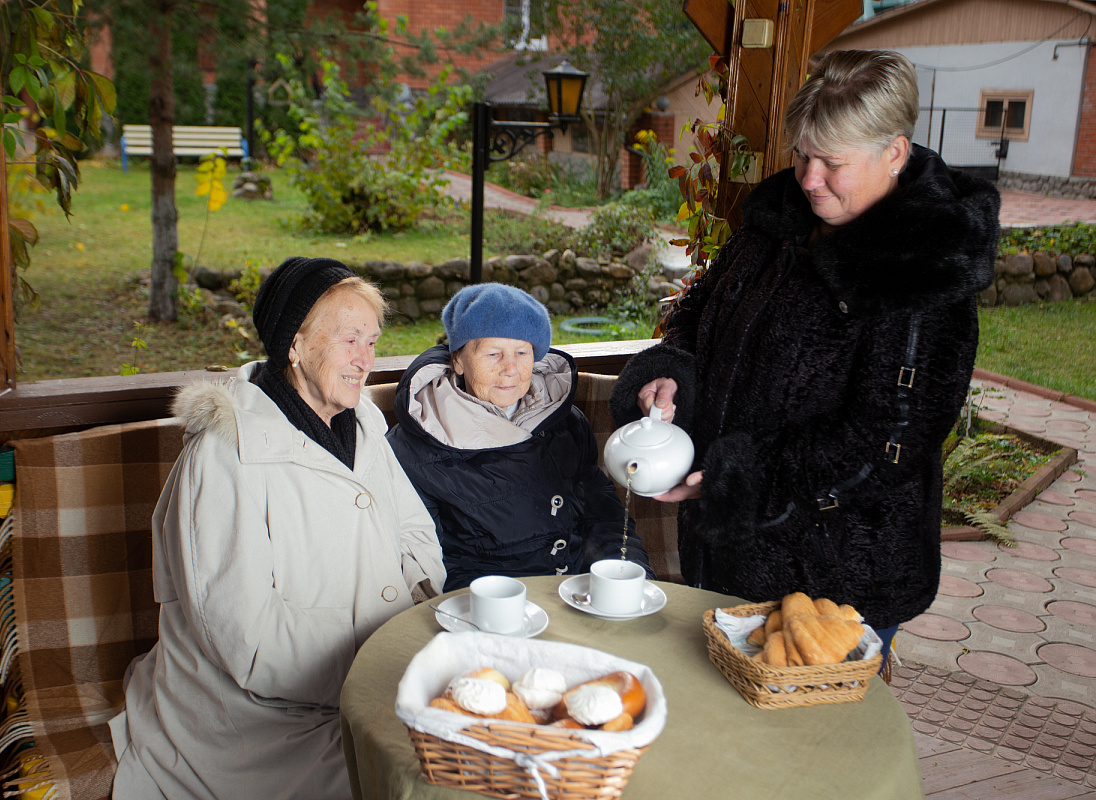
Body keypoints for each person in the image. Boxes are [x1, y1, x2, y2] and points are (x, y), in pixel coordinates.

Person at [609, 50, 999, 662]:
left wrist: (741, 479)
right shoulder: (777, 223)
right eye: (801, 155)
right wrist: (670, 372)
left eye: (832, 163)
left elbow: (885, 447)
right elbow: (696, 315)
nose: (809, 179)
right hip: (730, 550)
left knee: (805, 725)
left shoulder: (924, 264)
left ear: (894, 153)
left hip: (836, 577)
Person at [109, 257, 446, 800]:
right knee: (410, 781)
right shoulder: (223, 454)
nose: (366, 359)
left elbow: (416, 534)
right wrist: (382, 667)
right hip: (262, 722)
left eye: (372, 342)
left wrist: (408, 625)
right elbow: (246, 638)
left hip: (376, 678)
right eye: (350, 340)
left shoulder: (360, 423)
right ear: (295, 344)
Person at [387, 283, 652, 592]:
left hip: (577, 595)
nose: (510, 369)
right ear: (457, 359)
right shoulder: (416, 444)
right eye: (493, 353)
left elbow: (604, 517)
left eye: (522, 353)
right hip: (489, 605)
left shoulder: (567, 423)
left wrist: (630, 577)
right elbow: (426, 560)